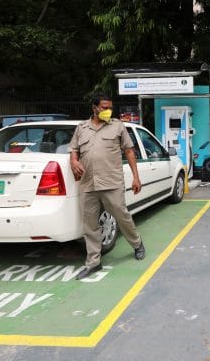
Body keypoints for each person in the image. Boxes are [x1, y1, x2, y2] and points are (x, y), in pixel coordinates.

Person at [69, 94, 146, 281]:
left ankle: (137, 244)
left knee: (122, 214)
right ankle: (93, 262)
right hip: (88, 183)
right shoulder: (81, 128)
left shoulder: (117, 126)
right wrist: (73, 161)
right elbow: (74, 150)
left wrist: (136, 177)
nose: (108, 111)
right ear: (94, 108)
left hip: (111, 182)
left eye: (110, 107)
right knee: (90, 224)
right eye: (104, 107)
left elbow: (129, 151)